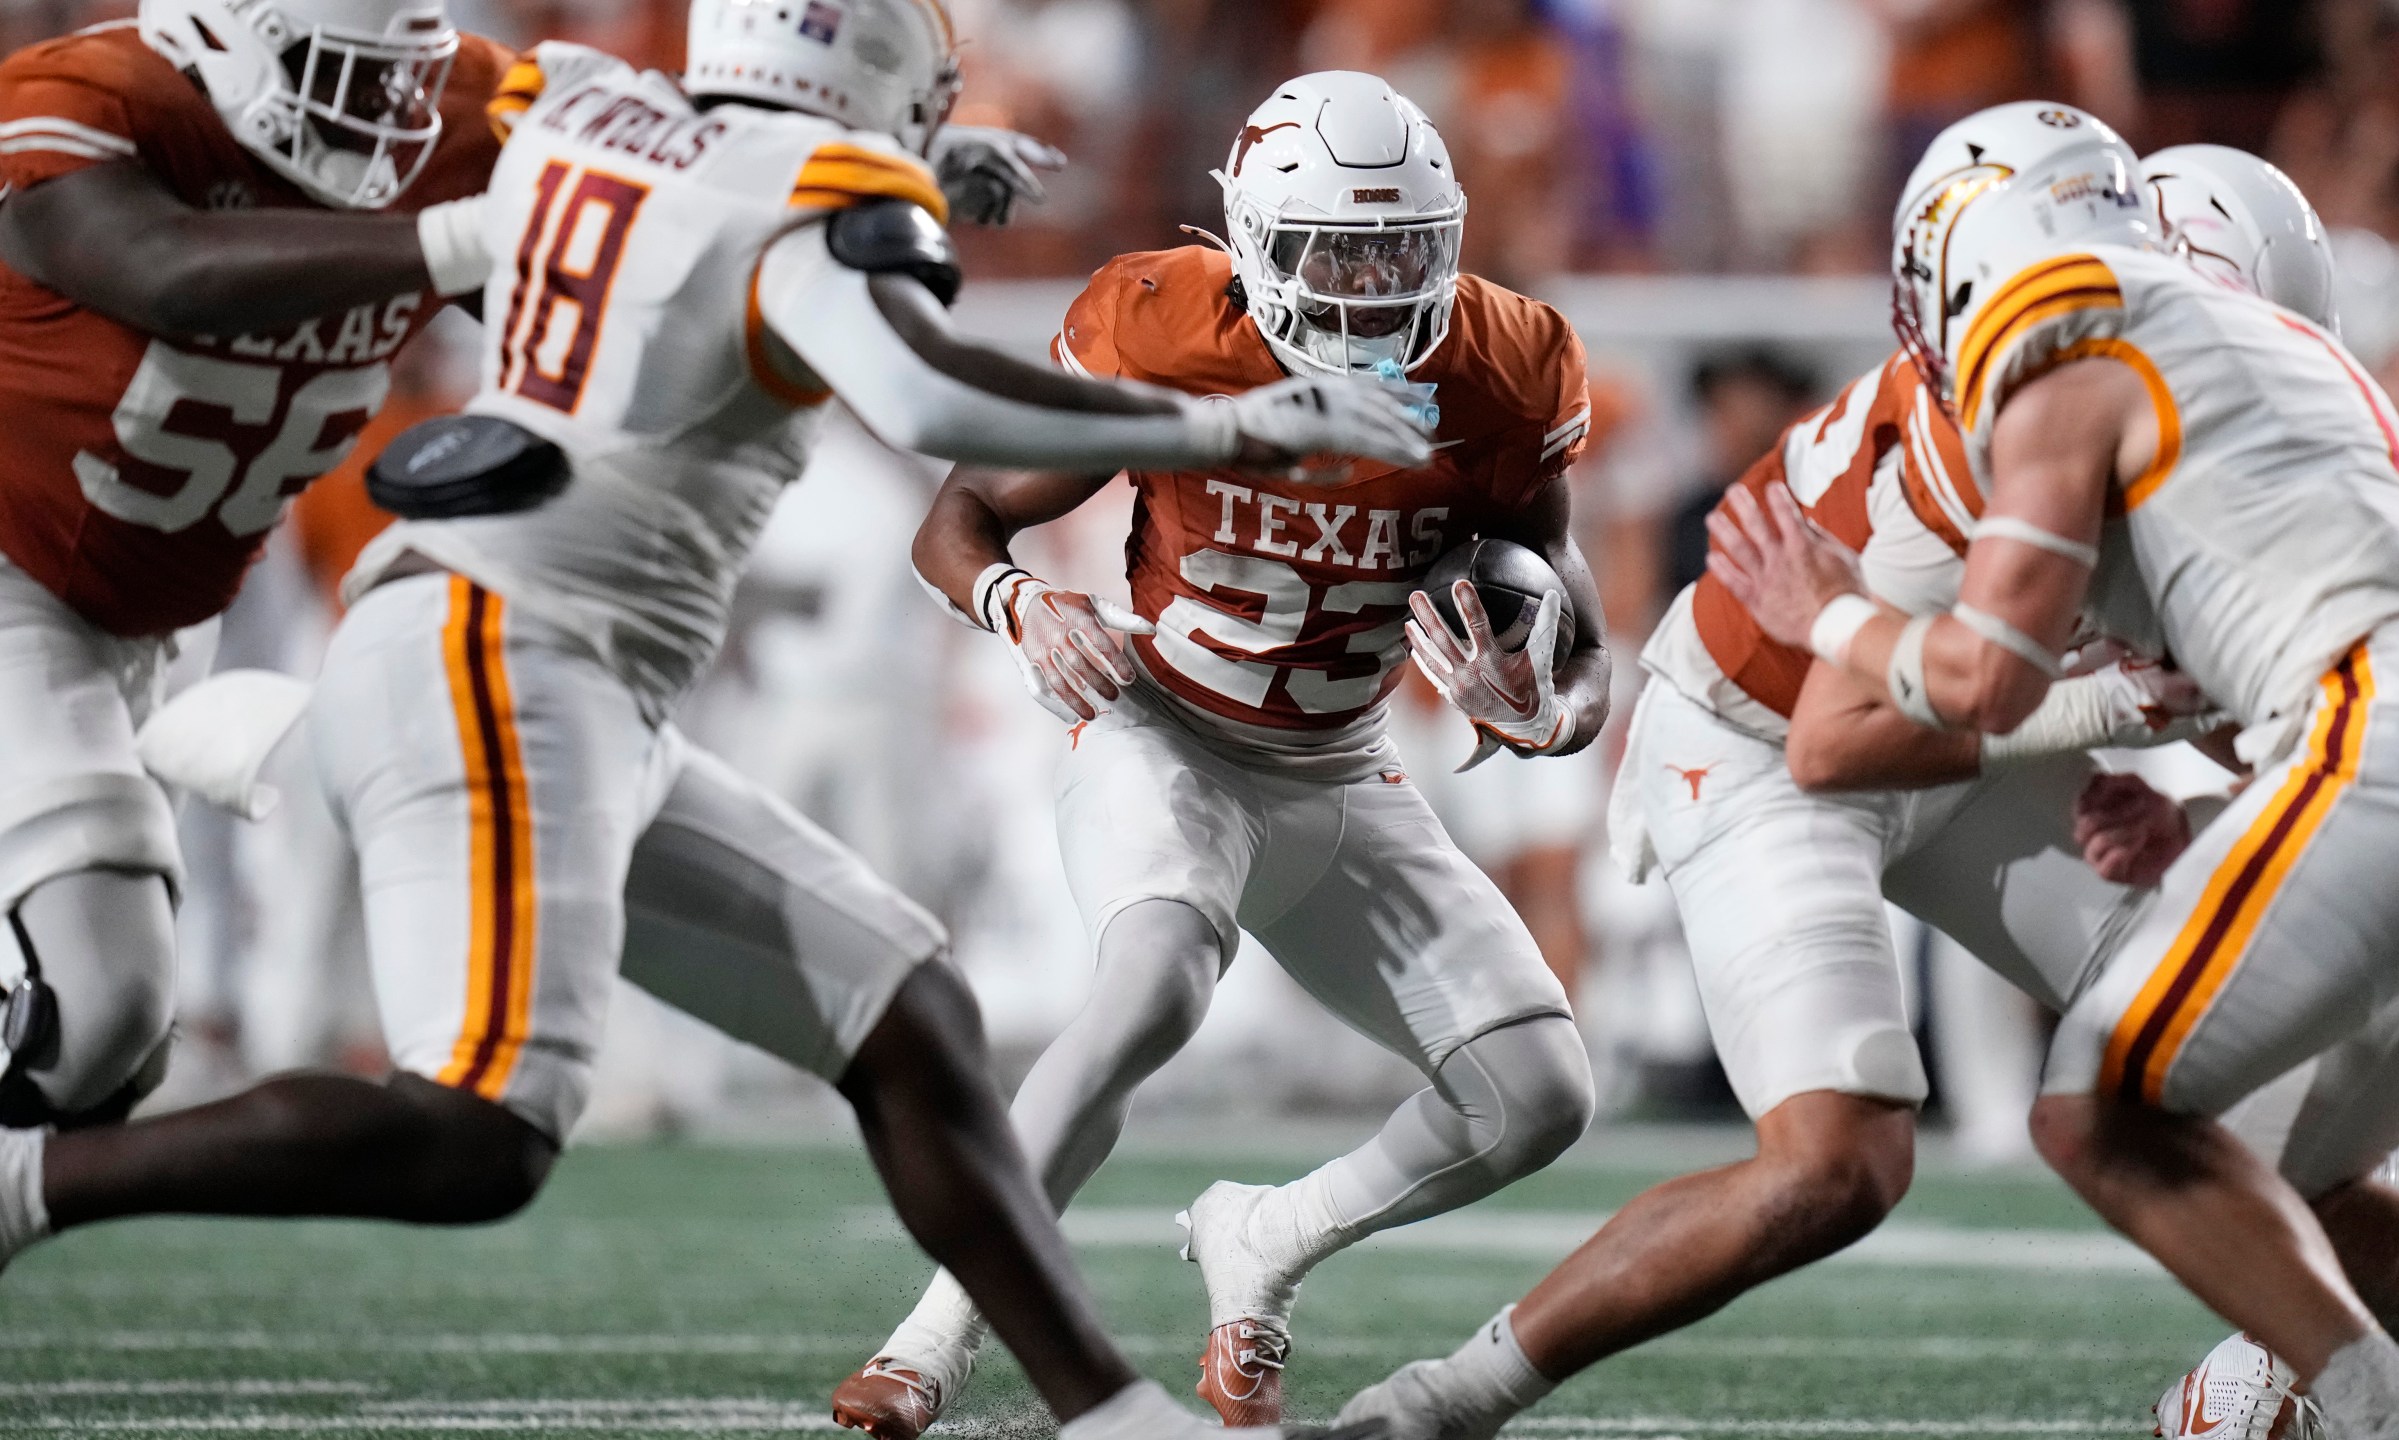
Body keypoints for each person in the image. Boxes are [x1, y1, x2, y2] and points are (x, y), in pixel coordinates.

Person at [0, 6, 1433, 1440]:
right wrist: (1215, 426)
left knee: (910, 1017)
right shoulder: (800, 188)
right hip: (510, 651)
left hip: (540, 663)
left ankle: (1111, 1417)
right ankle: (24, 1187)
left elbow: (704, 204)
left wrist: (914, 183)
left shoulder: (592, 116)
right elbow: (919, 384)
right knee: (479, 1135)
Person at [1329, 104, 2299, 1440]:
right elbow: (1838, 741)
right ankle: (1446, 1401)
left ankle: (2293, 1372)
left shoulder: (2148, 415)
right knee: (1840, 1164)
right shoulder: (1970, 453)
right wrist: (2113, 704)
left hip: (1955, 722)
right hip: (1765, 743)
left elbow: (2240, 697)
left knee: (2264, 1020)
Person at [1712, 101, 2399, 1440]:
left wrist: (1828, 609)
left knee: (2096, 1110)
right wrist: (2209, 803)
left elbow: (1868, 724)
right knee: (2311, 1170)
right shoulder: (2297, 376)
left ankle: (2393, 1413)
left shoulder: (2078, 368)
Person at [834, 70, 1605, 1438]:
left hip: (1343, 766)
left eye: (1401, 247)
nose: (1371, 284)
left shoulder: (1506, 363)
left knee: (1543, 1093)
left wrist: (1543, 702)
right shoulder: (1162, 323)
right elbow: (956, 522)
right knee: (1152, 989)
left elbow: (1567, 610)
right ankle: (937, 1336)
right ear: (1247, 238)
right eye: (1334, 250)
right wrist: (1022, 602)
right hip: (1167, 730)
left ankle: (1271, 1236)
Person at [0, 0, 513, 1130]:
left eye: (401, 79)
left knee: (107, 1053)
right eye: (345, 75)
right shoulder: (95, 98)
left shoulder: (463, 108)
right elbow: (163, 269)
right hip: (18, 567)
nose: (386, 118)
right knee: (96, 1004)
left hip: (164, 609)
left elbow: (622, 269)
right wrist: (461, 236)